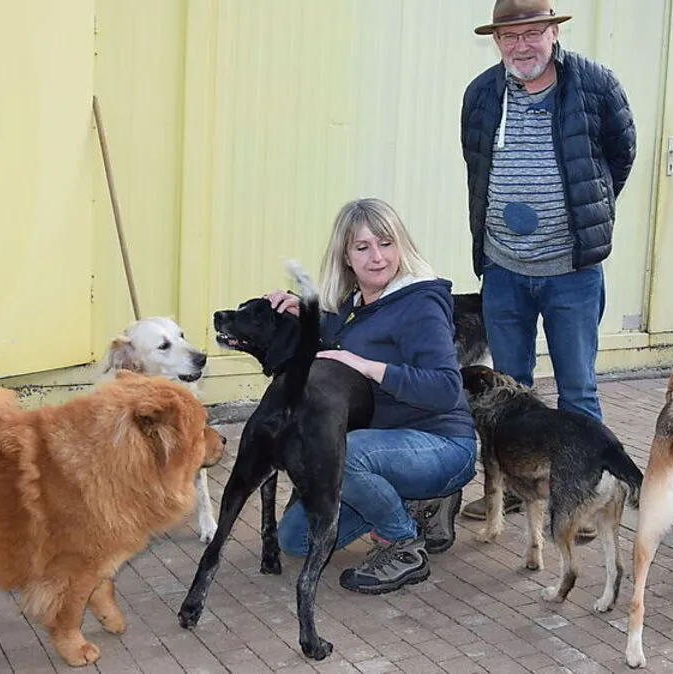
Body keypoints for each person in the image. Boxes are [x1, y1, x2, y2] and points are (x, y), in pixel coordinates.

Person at [459, 0, 636, 522]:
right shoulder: (480, 95)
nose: (522, 46)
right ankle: (518, 488)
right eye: (509, 37)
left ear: (553, 33)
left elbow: (618, 158)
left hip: (572, 274)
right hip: (503, 271)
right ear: (496, 41)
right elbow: (477, 169)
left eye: (533, 33)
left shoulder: (595, 86)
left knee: (577, 389)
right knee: (508, 388)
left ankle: (580, 502)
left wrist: (582, 214)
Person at [267, 197, 477, 595]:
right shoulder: (354, 305)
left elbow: (446, 387)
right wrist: (302, 311)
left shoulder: (420, 303)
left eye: (385, 243)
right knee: (295, 540)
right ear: (346, 256)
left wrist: (367, 367)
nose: (377, 257)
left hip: (442, 444)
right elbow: (339, 339)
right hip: (385, 449)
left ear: (401, 245)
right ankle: (419, 501)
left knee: (338, 453)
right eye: (362, 247)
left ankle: (403, 542)